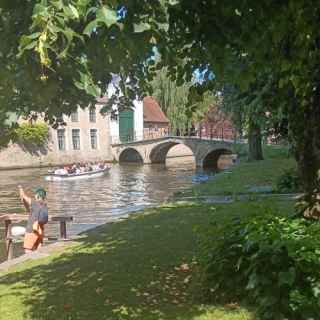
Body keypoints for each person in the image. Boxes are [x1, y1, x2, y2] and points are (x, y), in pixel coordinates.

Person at [18, 185, 49, 253]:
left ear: (38, 196)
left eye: (35, 195)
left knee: (28, 250)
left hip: (31, 231)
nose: (34, 196)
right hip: (40, 230)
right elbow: (29, 209)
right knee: (38, 249)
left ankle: (29, 261)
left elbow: (23, 196)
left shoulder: (34, 203)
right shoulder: (45, 205)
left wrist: (20, 188)